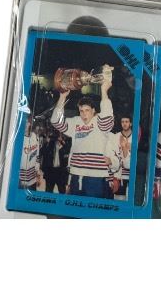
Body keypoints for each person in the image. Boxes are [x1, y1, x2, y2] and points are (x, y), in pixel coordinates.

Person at [50, 65, 117, 198]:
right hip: (76, 175)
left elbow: (107, 118)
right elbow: (56, 121)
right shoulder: (76, 122)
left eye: (87, 110)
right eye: (81, 111)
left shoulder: (99, 122)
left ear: (93, 111)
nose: (84, 114)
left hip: (96, 177)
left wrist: (104, 91)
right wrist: (62, 97)